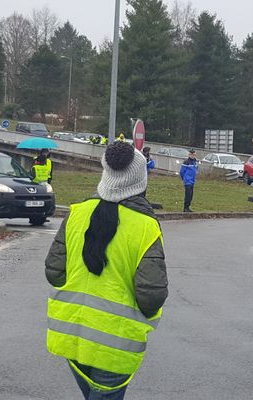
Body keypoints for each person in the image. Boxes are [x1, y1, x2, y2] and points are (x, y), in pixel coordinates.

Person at [45, 142, 168, 400]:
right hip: (116, 345)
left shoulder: (76, 214)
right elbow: (151, 295)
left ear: (106, 173)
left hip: (71, 335)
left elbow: (54, 272)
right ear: (141, 179)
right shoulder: (146, 227)